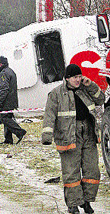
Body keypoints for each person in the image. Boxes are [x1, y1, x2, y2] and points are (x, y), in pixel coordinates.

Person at [42, 64, 105, 214]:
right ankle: (73, 205)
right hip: (68, 137)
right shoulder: (56, 94)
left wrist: (91, 85)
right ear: (67, 78)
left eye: (79, 76)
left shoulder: (85, 90)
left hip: (88, 134)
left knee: (92, 171)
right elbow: (49, 116)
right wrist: (47, 136)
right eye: (75, 77)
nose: (78, 80)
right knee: (71, 173)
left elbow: (101, 99)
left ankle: (87, 202)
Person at [0, 56, 26, 144]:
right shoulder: (10, 71)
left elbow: (4, 89)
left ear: (0, 64)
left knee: (4, 118)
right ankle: (8, 139)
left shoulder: (4, 73)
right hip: (12, 101)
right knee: (7, 118)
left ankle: (19, 132)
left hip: (6, 102)